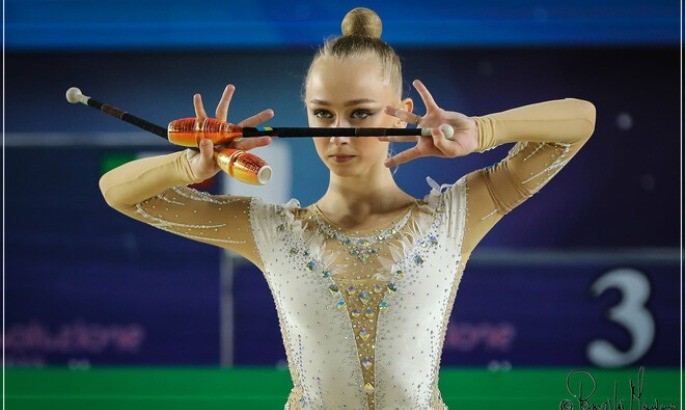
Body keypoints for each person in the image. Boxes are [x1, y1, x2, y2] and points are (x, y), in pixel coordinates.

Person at [99, 7, 595, 410]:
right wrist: (190, 166)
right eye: (322, 114)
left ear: (401, 114)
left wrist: (482, 131)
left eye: (359, 113)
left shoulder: (456, 217)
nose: (338, 134)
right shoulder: (268, 230)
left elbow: (581, 120)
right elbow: (117, 191)